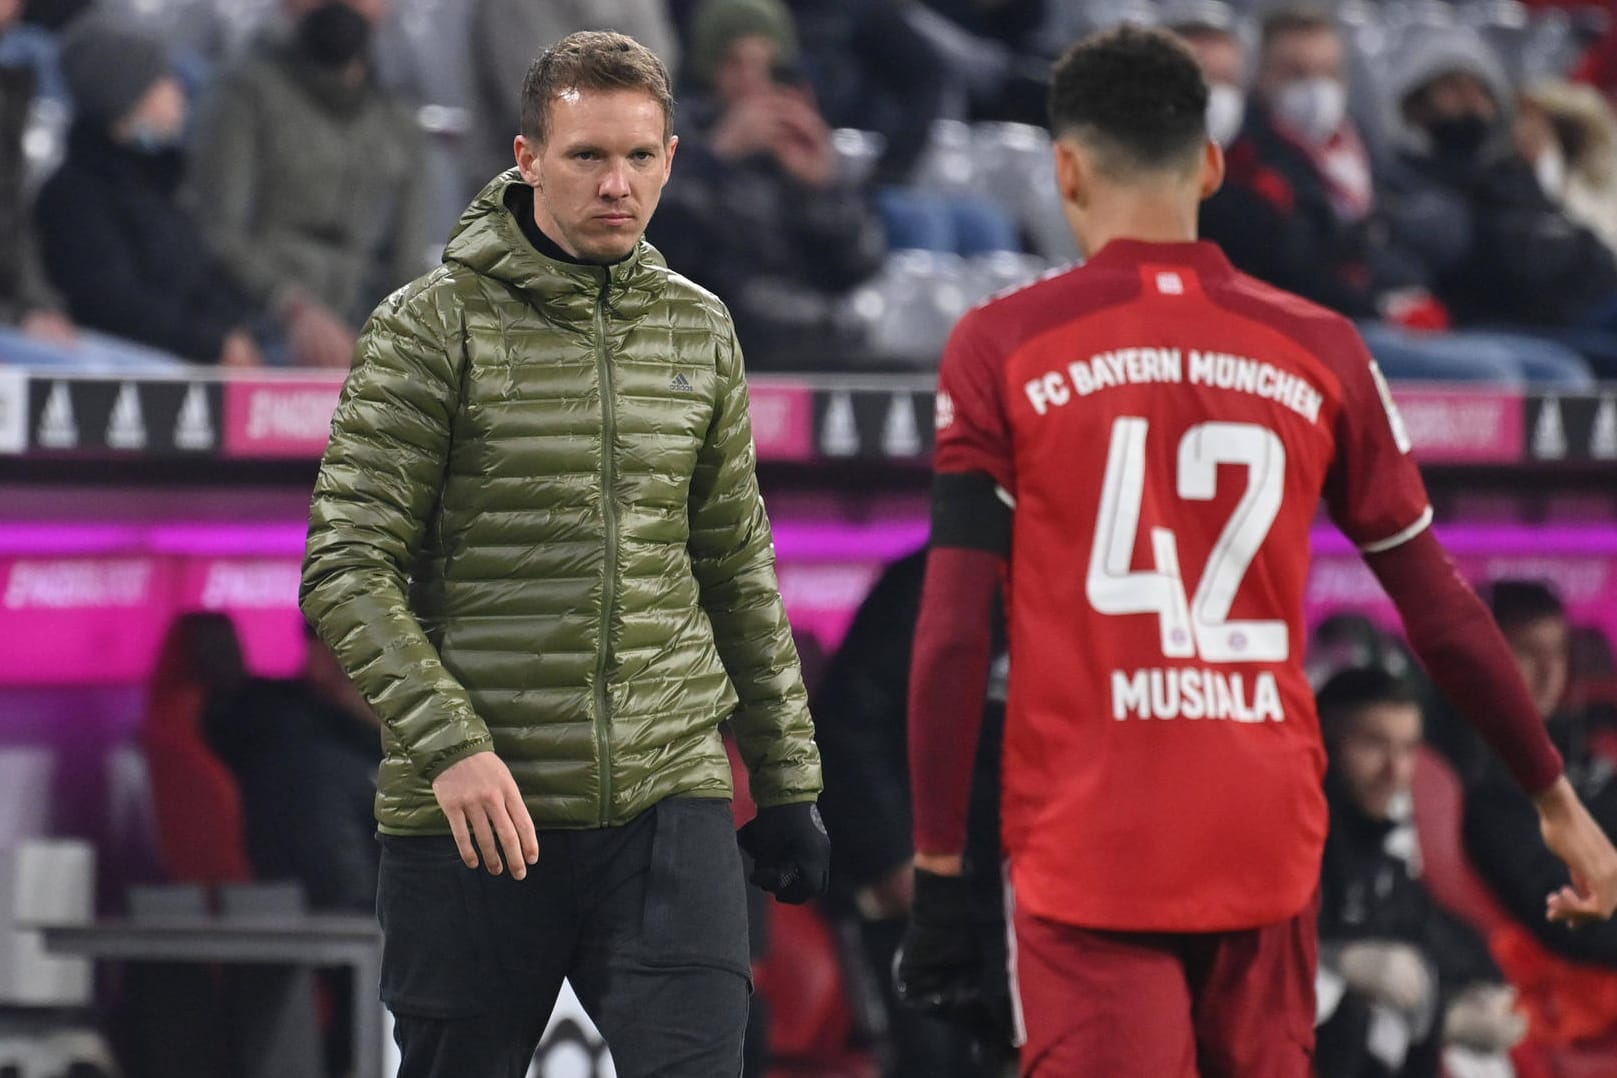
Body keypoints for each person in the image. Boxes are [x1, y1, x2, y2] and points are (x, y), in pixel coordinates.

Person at [895, 26, 1617, 1078]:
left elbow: (954, 633)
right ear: (1215, 163)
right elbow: (1443, 608)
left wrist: (938, 870)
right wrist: (1559, 801)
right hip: (1266, 843)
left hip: (1094, 851)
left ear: (1064, 169)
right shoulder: (1320, 344)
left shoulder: (999, 347)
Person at [299, 30, 828, 1078]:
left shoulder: (700, 328)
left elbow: (735, 566)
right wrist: (450, 746)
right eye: (587, 155)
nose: (617, 184)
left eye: (639, 157)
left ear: (673, 156)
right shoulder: (426, 327)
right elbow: (345, 564)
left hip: (669, 802)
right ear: (526, 157)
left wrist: (786, 776)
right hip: (480, 815)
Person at [1190, 9, 1591, 386]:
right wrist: (1382, 302)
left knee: (1558, 372)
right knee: (1491, 376)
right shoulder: (1253, 161)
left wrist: (1409, 290)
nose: (1315, 89)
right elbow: (1294, 263)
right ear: (1261, 81)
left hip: (1400, 315)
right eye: (1295, 74)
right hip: (1323, 327)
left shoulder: (1365, 152)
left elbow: (1423, 237)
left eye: (1327, 73)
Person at [813, 547, 1012, 1076]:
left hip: (1034, 893)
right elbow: (846, 727)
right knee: (928, 1060)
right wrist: (894, 856)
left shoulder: (1082, 594)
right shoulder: (928, 588)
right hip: (924, 898)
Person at [189, 0, 433, 369]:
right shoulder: (245, 92)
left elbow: (408, 261)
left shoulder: (397, 115)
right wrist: (292, 306)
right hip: (261, 316)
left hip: (366, 318)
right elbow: (218, 231)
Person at [647, 0, 886, 365]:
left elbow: (856, 266)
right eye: (735, 64)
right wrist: (717, 157)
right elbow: (660, 246)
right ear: (708, 68)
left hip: (803, 330)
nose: (752, 82)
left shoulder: (794, 139)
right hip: (705, 332)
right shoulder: (673, 136)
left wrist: (820, 189)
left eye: (766, 66)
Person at [1314, 668, 1524, 1078]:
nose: (1396, 771)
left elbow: (1424, 923)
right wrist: (1332, 963)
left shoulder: (1375, 840)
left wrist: (1489, 982)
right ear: (1324, 741)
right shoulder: (1295, 848)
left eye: (1408, 749)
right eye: (1374, 744)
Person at [1380, 25, 1617, 376]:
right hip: (1494, 323)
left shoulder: (1508, 173)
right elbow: (1501, 261)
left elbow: (1585, 251)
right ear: (1417, 102)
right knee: (1557, 372)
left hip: (1569, 308)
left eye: (1481, 92)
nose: (1471, 104)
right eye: (1454, 90)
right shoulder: (1405, 178)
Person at [35, 14, 265, 367]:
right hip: (137, 365)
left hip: (194, 349)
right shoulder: (74, 196)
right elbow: (111, 302)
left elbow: (199, 278)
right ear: (126, 97)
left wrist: (230, 332)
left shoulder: (163, 183)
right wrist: (211, 342)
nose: (179, 91)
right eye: (163, 80)